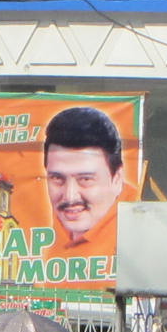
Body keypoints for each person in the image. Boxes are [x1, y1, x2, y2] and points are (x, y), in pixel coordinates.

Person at [39, 106, 126, 249]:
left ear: (117, 179)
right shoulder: (43, 228)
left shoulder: (138, 236)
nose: (70, 197)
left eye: (85, 179)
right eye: (57, 178)